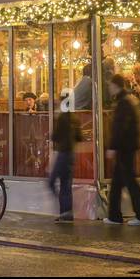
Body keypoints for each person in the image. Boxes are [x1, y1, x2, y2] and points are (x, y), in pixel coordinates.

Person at [104, 74, 140, 225]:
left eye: (110, 85)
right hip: (128, 146)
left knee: (129, 181)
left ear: (116, 86)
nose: (109, 88)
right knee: (118, 182)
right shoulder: (129, 100)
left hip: (125, 147)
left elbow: (120, 127)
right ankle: (114, 215)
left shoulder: (123, 103)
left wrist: (113, 146)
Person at [49, 89, 82, 222]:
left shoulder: (62, 117)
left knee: (51, 181)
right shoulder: (74, 117)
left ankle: (64, 209)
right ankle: (66, 212)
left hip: (63, 153)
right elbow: (79, 137)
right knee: (66, 184)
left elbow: (55, 136)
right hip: (71, 154)